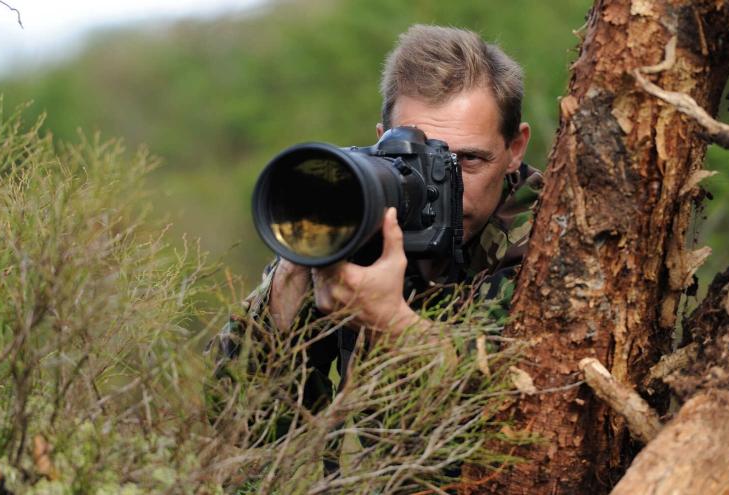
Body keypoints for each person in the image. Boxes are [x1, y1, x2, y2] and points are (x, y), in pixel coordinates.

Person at [211, 23, 542, 418]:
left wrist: (393, 324)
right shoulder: (362, 221)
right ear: (384, 140)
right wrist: (285, 298)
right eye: (415, 160)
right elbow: (239, 426)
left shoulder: (548, 238)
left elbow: (533, 419)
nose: (448, 186)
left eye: (468, 160)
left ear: (515, 148)